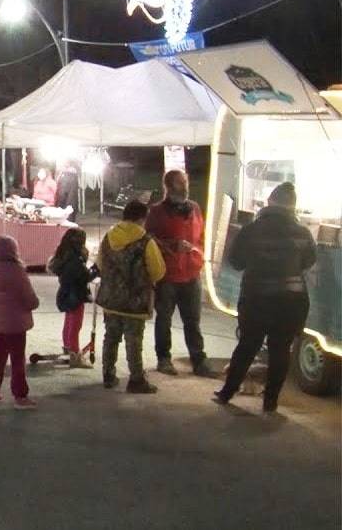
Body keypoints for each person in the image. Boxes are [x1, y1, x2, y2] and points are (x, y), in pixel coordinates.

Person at [214, 182, 317, 414]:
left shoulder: (251, 230)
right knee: (280, 350)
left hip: (257, 298)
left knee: (247, 346)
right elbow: (309, 261)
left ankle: (227, 393)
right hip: (292, 300)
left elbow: (236, 262)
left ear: (269, 202)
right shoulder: (303, 233)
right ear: (293, 207)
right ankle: (270, 402)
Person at [145, 169, 212, 377]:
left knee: (193, 320)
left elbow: (201, 236)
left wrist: (198, 256)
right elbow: (149, 240)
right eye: (179, 182)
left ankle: (198, 360)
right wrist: (173, 245)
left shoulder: (194, 208)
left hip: (191, 273)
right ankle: (163, 358)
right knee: (164, 318)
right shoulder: (157, 212)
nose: (185, 185)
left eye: (185, 181)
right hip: (168, 275)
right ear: (168, 186)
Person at [96, 200, 167, 393]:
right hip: (135, 301)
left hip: (110, 298)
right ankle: (136, 379)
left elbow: (100, 263)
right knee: (133, 340)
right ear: (142, 218)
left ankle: (108, 374)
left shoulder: (109, 237)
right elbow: (158, 271)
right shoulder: (146, 241)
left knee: (110, 336)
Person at [0, 235, 40, 408]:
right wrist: (34, 304)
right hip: (16, 323)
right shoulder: (17, 270)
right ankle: (20, 395)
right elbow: (29, 297)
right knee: (17, 360)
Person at [47, 228, 97, 368]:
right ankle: (74, 354)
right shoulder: (75, 258)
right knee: (75, 324)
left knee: (69, 322)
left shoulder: (64, 254)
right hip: (75, 294)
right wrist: (95, 270)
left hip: (66, 292)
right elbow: (84, 276)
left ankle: (68, 347)